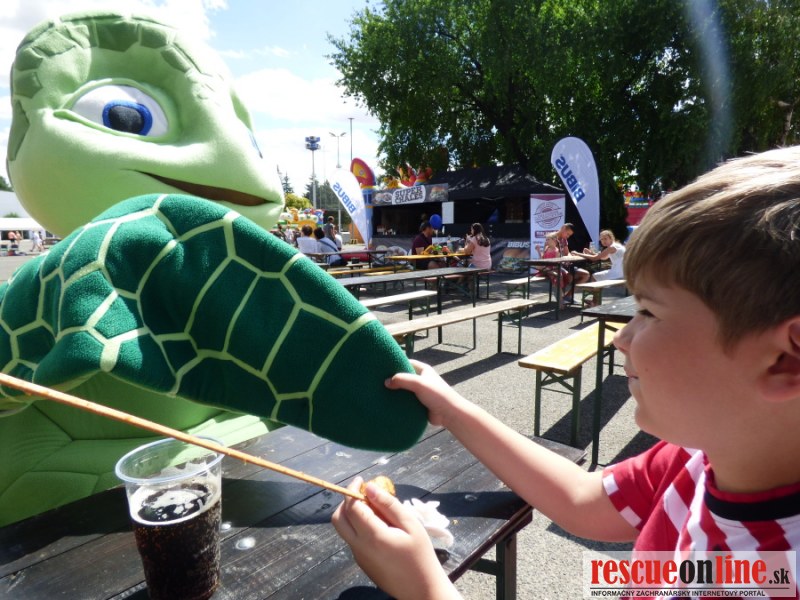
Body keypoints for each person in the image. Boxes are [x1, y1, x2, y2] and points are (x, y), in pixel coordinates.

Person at [332, 147, 800, 599]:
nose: (621, 337)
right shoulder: (701, 458)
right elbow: (583, 499)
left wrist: (426, 589)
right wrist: (452, 408)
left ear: (785, 359)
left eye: (650, 312)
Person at [556, 222, 590, 302]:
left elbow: (567, 252)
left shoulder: (564, 240)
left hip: (566, 265)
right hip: (555, 266)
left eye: (569, 235)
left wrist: (570, 256)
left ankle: (568, 296)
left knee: (586, 274)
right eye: (567, 234)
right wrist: (565, 258)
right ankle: (561, 299)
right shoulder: (552, 238)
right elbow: (551, 254)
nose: (568, 237)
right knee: (569, 277)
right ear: (563, 228)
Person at [534, 231, 571, 302]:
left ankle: (561, 300)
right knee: (539, 266)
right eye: (546, 240)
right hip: (545, 270)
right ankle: (561, 300)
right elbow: (542, 259)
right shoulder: (546, 248)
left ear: (554, 240)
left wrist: (553, 269)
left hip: (552, 269)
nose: (546, 241)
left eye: (548, 239)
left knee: (559, 277)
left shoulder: (557, 250)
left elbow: (556, 263)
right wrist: (538, 251)